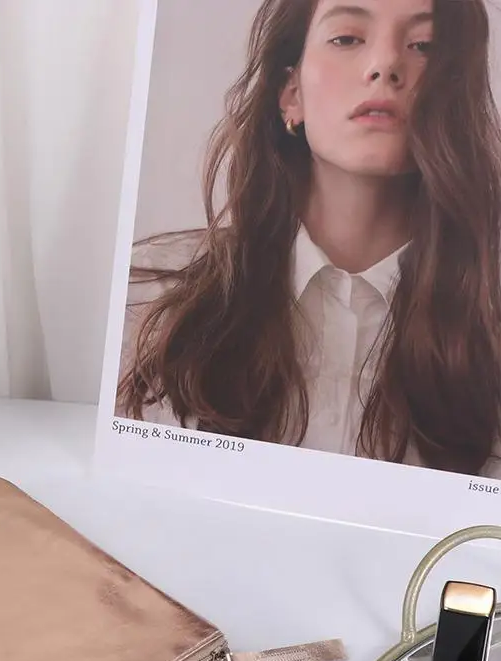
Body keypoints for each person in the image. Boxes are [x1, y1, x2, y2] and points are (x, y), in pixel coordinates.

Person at [116, 0, 501, 477]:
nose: (385, 65)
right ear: (291, 93)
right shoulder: (150, 301)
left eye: (424, 46)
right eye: (347, 38)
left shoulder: (486, 324)